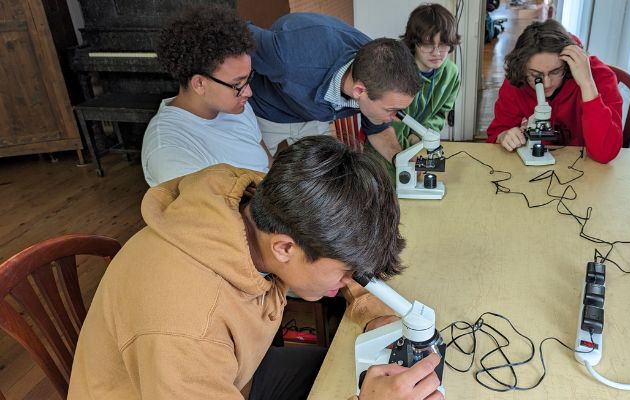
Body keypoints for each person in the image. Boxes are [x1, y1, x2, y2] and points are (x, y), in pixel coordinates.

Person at [68, 136, 443, 400]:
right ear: (284, 248)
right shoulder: (186, 328)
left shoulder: (268, 201)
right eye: (348, 273)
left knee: (350, 371)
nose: (352, 282)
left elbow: (334, 247)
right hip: (187, 379)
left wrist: (375, 313)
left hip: (237, 375)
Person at [246, 13, 421, 164]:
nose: (395, 119)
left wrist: (401, 160)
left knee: (325, 178)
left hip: (313, 115)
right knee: (252, 176)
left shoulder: (375, 72)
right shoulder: (287, 59)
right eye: (391, 110)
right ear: (359, 91)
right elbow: (239, 35)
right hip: (266, 110)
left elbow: (377, 128)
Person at [141, 5, 272, 187]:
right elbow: (212, 214)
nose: (248, 92)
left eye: (248, 78)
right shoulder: (168, 150)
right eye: (237, 84)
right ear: (199, 84)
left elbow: (267, 163)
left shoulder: (238, 107)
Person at [486, 19, 623, 164]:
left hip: (587, 168)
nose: (546, 83)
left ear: (566, 65)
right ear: (522, 68)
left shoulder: (600, 77)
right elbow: (496, 134)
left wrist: (587, 84)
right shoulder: (518, 79)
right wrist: (504, 136)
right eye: (535, 75)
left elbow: (604, 154)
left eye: (555, 71)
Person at [365, 3, 461, 179]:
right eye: (427, 44)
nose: (436, 52)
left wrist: (419, 136)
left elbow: (439, 113)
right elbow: (377, 123)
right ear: (414, 41)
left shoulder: (451, 74)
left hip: (416, 149)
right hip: (383, 147)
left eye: (443, 45)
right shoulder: (393, 68)